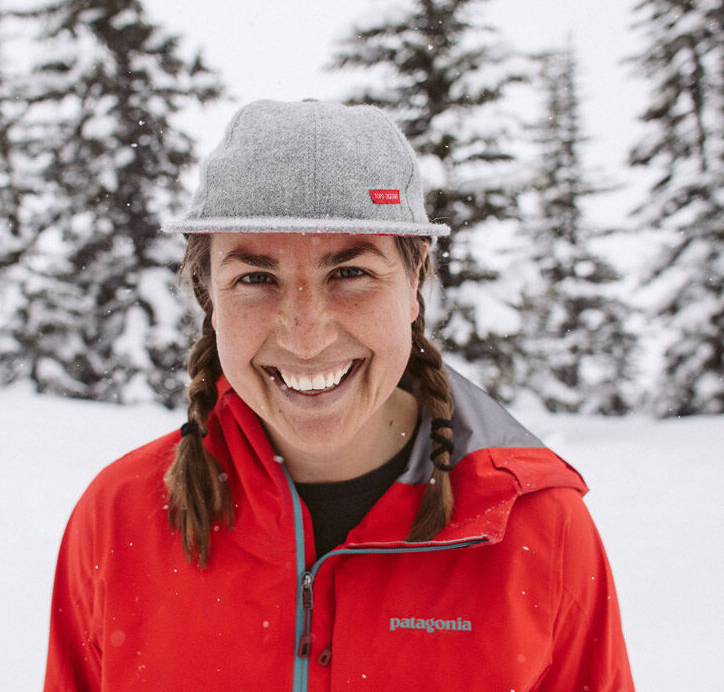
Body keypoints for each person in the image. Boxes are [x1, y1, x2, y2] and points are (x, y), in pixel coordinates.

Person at [44, 99, 634, 691]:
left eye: (350, 274)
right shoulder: (118, 519)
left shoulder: (536, 527)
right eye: (256, 278)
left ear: (414, 281)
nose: (306, 337)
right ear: (209, 295)